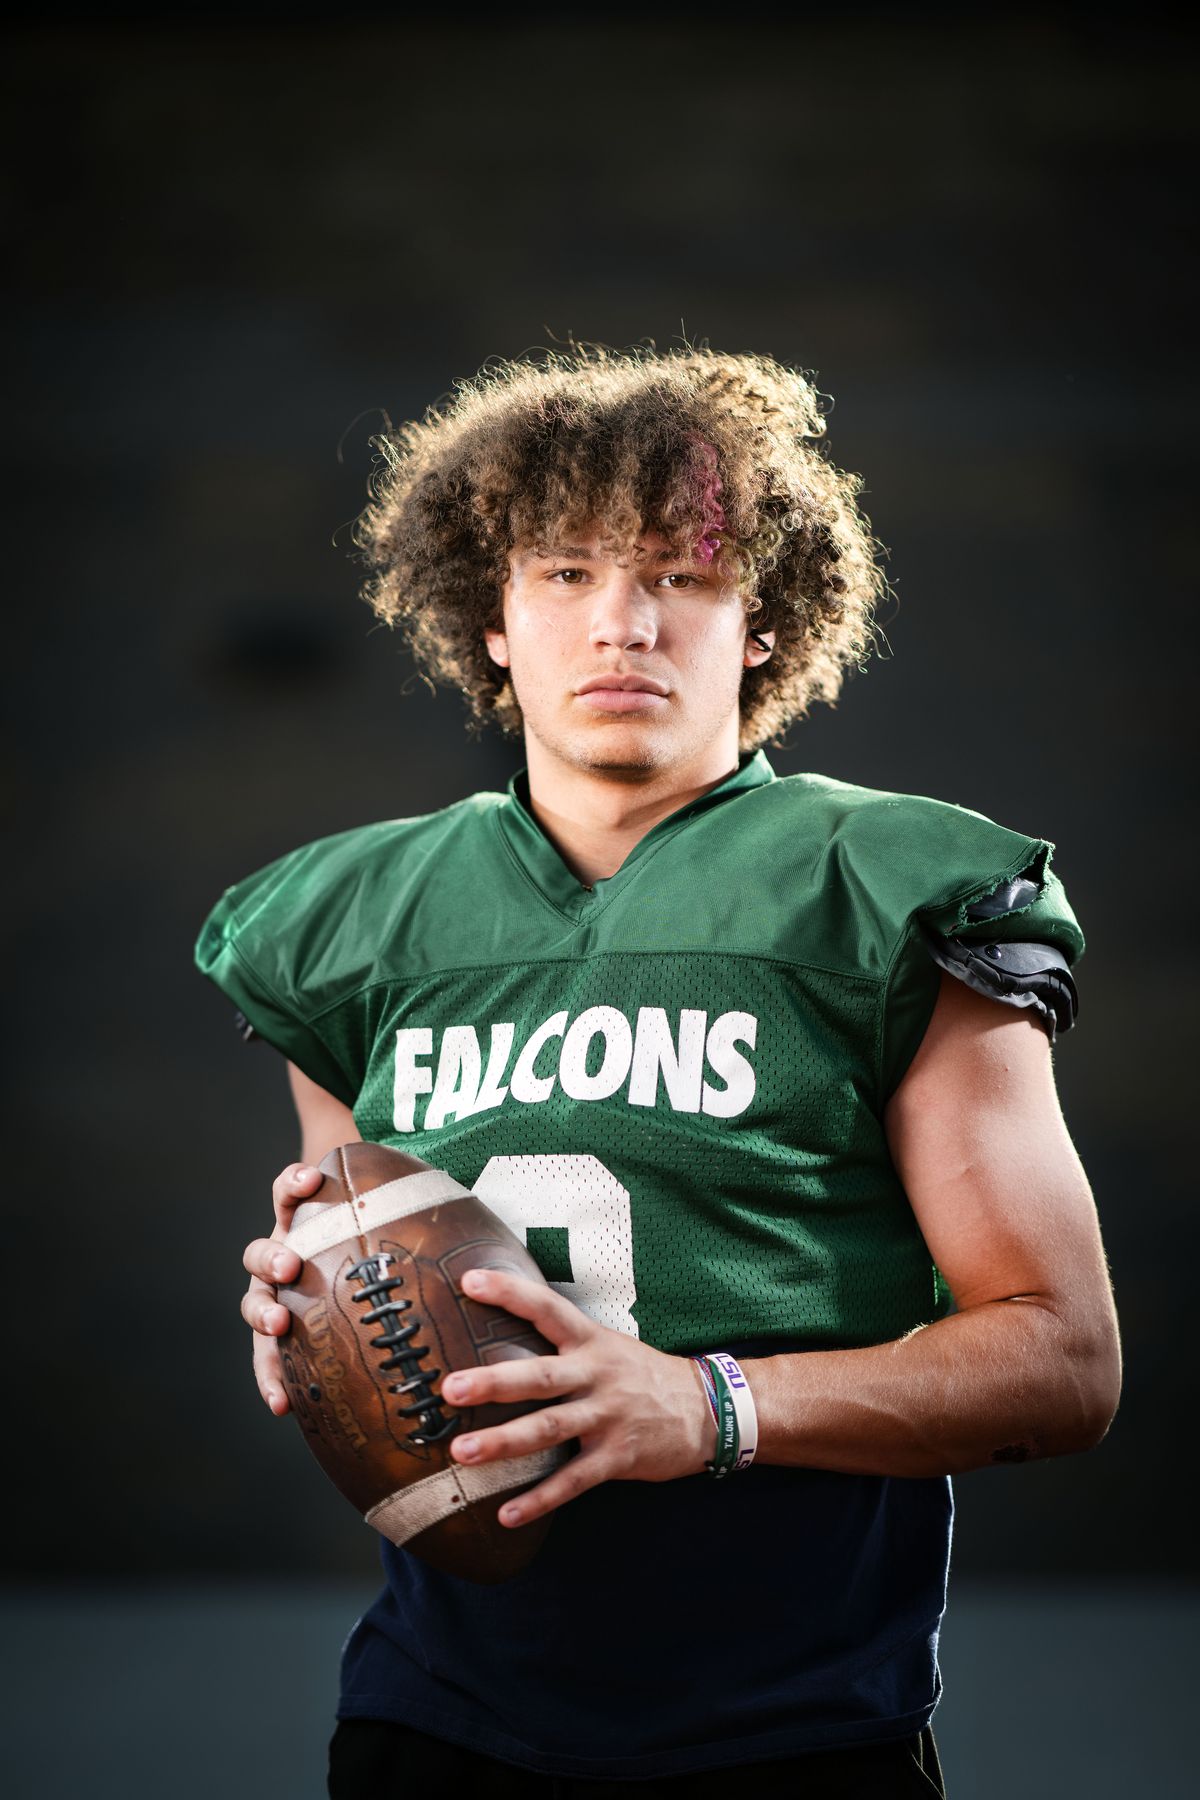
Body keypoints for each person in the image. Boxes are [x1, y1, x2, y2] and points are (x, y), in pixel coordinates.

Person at [195, 346, 1121, 1798]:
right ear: (490, 619)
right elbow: (360, 1232)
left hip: (793, 1721)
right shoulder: (349, 919)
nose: (620, 622)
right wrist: (314, 1318)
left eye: (682, 576)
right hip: (437, 1714)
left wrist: (708, 1408)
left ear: (761, 619)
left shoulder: (885, 884)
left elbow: (1064, 1360)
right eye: (563, 573)